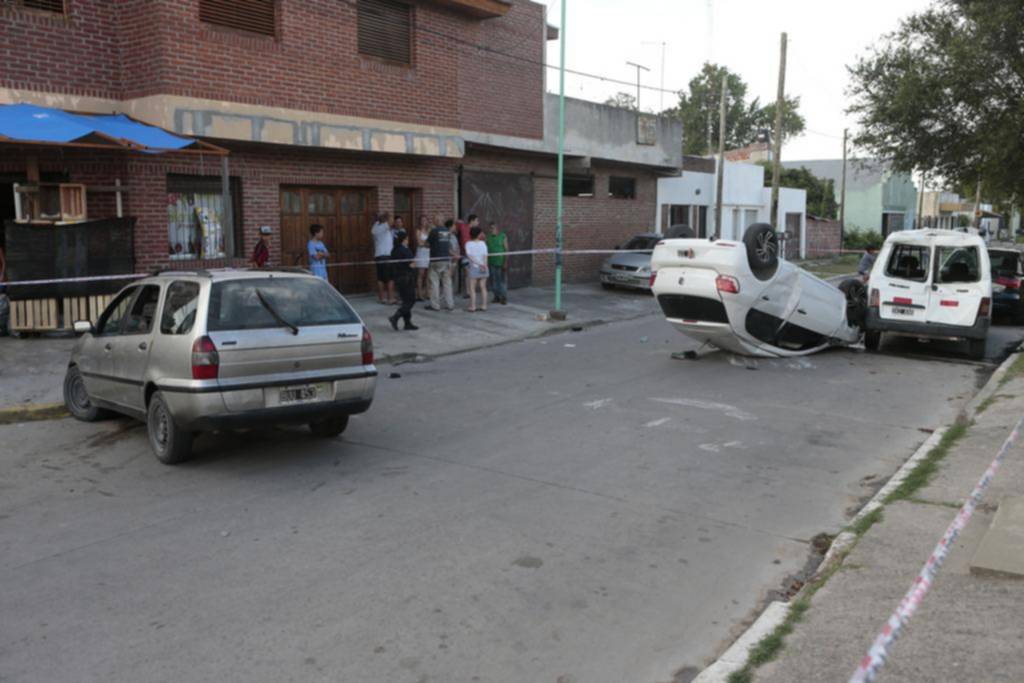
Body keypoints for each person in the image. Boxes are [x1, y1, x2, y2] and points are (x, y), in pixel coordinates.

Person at [388, 230, 419, 331]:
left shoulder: (394, 250)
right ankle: (395, 317)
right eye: (407, 239)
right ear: (404, 239)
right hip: (407, 278)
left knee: (406, 301)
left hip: (398, 278)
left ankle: (407, 323)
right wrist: (415, 263)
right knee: (411, 300)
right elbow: (412, 264)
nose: (408, 240)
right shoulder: (405, 250)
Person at [426, 214, 454, 311]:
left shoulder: (434, 231)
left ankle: (435, 305)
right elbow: (446, 245)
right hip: (446, 259)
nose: (433, 221)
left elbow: (427, 243)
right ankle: (450, 304)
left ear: (438, 220)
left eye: (434, 220)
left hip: (436, 260)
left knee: (434, 282)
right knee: (447, 283)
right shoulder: (447, 231)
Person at [371, 212, 396, 305]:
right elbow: (391, 222)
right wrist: (388, 216)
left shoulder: (375, 227)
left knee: (380, 278)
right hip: (386, 256)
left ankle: (382, 298)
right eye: (389, 218)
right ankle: (391, 298)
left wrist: (380, 218)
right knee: (390, 278)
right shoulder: (383, 226)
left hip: (378, 256)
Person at [464, 226, 489, 312]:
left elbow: (470, 257)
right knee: (483, 287)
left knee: (472, 288)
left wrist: (479, 264)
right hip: (484, 267)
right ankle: (484, 306)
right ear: (478, 234)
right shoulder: (483, 243)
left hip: (474, 267)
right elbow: (485, 256)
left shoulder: (468, 244)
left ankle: (473, 306)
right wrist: (484, 265)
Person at [486, 221, 509, 305]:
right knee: (493, 280)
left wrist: (505, 262)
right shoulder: (488, 237)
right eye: (490, 228)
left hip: (500, 262)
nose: (491, 230)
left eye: (493, 228)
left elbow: (506, 249)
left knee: (501, 281)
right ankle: (496, 296)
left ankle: (503, 297)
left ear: (497, 228)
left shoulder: (503, 236)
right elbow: (486, 249)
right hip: (491, 262)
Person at [414, 215, 431, 301]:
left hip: (428, 254)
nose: (424, 221)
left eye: (425, 220)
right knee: (421, 274)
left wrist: (424, 243)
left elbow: (431, 242)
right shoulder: (418, 230)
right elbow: (419, 243)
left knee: (428, 274)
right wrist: (426, 243)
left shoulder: (429, 230)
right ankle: (419, 294)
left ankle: (427, 293)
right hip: (421, 254)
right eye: (422, 220)